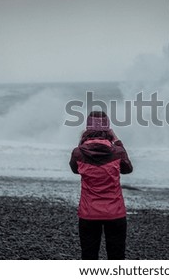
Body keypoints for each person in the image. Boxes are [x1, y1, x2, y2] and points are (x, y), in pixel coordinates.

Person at [69, 111, 133, 260]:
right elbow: (128, 169)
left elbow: (75, 169)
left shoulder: (78, 153)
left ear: (87, 129)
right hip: (115, 212)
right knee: (116, 257)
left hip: (88, 212)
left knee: (89, 256)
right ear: (108, 129)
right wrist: (117, 141)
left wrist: (82, 142)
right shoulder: (117, 152)